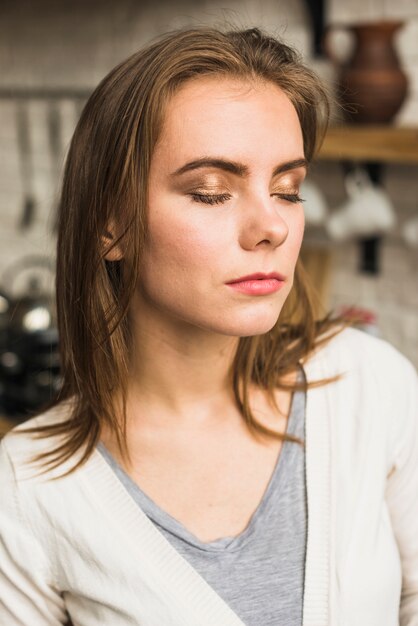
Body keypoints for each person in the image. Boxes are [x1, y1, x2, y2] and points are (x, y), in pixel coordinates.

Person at [0, 26, 417, 626]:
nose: (270, 226)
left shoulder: (369, 383)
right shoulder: (30, 484)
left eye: (287, 190)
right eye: (211, 192)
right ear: (109, 226)